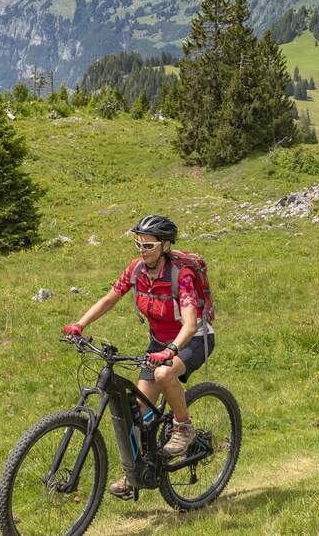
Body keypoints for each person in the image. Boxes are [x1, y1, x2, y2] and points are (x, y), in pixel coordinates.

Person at [62, 214, 215, 499]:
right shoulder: (137, 271)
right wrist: (80, 324)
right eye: (139, 245)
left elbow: (191, 323)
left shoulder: (181, 276)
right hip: (159, 343)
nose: (142, 251)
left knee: (164, 373)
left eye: (149, 245)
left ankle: (183, 427)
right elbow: (110, 298)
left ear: (166, 246)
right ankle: (136, 474)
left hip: (192, 340)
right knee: (138, 414)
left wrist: (170, 351)